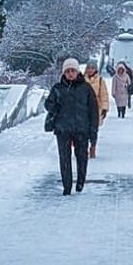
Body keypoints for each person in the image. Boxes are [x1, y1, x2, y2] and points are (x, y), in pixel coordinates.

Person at [44, 58, 98, 195]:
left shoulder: (86, 88)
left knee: (82, 157)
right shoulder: (58, 88)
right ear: (64, 73)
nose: (70, 73)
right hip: (63, 129)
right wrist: (53, 105)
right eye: (67, 71)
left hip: (82, 129)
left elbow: (93, 110)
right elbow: (48, 104)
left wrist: (93, 131)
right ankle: (66, 186)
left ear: (77, 71)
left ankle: (80, 182)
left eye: (72, 70)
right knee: (64, 159)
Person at [83, 62, 110, 157]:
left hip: (95, 109)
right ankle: (84, 148)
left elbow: (104, 95)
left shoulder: (100, 80)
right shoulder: (82, 79)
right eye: (88, 68)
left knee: (93, 130)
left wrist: (104, 108)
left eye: (92, 68)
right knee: (83, 131)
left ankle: (93, 147)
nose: (90, 70)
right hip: (83, 109)